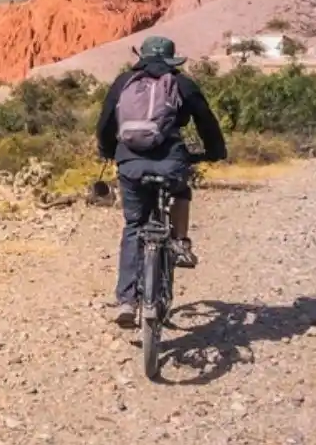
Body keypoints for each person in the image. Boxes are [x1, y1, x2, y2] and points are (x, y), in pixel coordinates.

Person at [94, 36, 227, 327]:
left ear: (141, 57)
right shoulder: (181, 83)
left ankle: (127, 301)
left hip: (130, 161)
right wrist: (215, 151)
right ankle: (179, 243)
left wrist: (107, 150)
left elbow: (105, 122)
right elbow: (206, 120)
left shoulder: (124, 82)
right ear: (170, 59)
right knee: (181, 190)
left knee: (134, 225)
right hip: (170, 160)